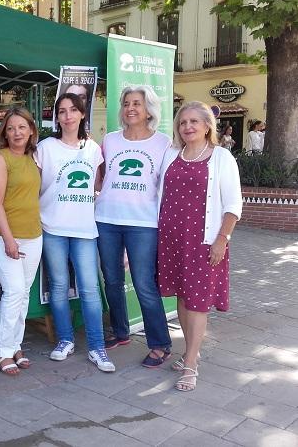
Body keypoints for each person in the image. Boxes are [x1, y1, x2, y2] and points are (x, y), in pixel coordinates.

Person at [158, 101, 242, 391]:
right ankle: (189, 351)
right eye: (183, 122)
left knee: (197, 301)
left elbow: (233, 205)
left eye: (194, 121)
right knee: (182, 298)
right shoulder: (171, 155)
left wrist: (222, 239)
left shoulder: (221, 158)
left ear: (208, 126)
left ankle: (191, 362)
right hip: (171, 240)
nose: (188, 127)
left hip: (203, 240)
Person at [95, 85, 173, 367]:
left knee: (143, 283)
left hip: (143, 223)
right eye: (126, 103)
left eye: (137, 103)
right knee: (112, 280)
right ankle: (120, 332)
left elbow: (167, 186)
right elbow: (101, 177)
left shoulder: (163, 143)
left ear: (148, 109)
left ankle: (160, 343)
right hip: (107, 219)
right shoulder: (111, 140)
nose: (131, 108)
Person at [36, 93, 115, 372]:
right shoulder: (45, 147)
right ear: (56, 117)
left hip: (84, 229)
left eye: (72, 110)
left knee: (90, 288)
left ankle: (97, 347)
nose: (67, 116)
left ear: (82, 114)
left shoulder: (93, 149)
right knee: (58, 286)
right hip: (52, 227)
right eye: (62, 111)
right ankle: (65, 340)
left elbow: (97, 186)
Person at [0, 107, 42, 376]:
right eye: (11, 128)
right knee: (15, 291)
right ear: (4, 133)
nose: (16, 132)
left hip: (34, 236)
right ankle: (4, 351)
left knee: (24, 294)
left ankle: (16, 344)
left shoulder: (35, 157)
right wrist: (9, 239)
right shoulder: (1, 157)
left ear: (31, 129)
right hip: (2, 235)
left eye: (21, 127)